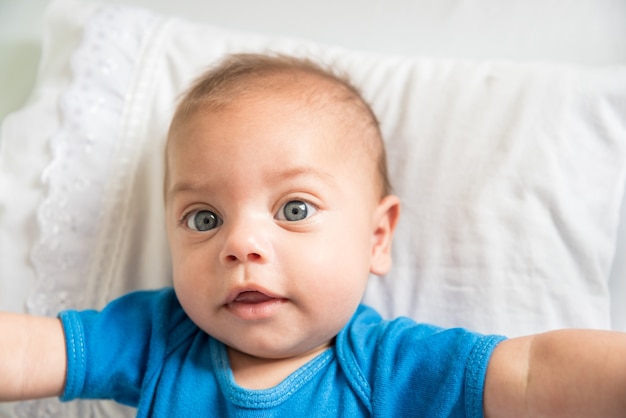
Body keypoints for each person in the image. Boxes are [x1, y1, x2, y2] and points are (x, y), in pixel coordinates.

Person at [1, 53, 626, 417]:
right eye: (204, 218)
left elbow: (531, 374)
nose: (239, 244)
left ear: (377, 237)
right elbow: (30, 350)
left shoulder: (389, 367)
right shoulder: (156, 339)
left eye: (295, 210)